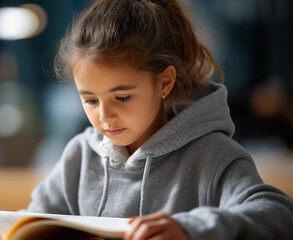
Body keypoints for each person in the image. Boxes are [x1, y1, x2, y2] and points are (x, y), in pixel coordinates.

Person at [24, 0, 293, 239]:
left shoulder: (213, 157)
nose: (104, 117)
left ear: (164, 82)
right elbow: (30, 223)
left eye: (123, 97)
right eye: (91, 100)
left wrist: (192, 229)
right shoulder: (80, 156)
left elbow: (280, 214)